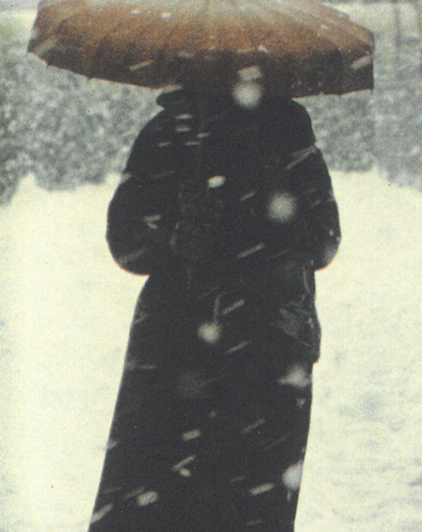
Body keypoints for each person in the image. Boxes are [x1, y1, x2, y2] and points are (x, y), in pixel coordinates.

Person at [88, 88, 340, 532]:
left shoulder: (169, 135)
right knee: (250, 497)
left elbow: (127, 244)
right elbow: (323, 242)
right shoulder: (285, 136)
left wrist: (185, 235)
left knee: (161, 492)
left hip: (186, 340)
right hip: (261, 339)